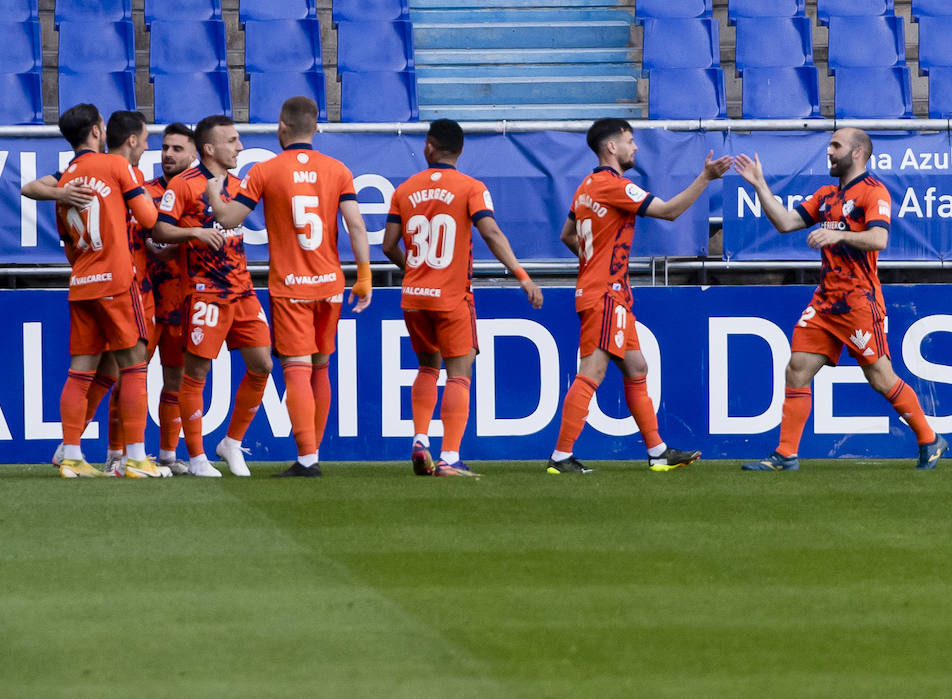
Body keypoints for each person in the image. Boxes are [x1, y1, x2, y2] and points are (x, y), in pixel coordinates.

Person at [733, 127, 949, 470]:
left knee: (880, 377)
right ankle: (786, 454)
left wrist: (838, 234)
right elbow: (786, 222)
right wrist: (760, 185)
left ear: (859, 152)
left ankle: (929, 438)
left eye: (836, 145)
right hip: (825, 301)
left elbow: (879, 238)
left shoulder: (873, 192)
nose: (829, 151)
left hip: (859, 301)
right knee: (797, 369)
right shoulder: (826, 195)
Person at [547, 118, 730, 475]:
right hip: (605, 295)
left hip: (605, 291)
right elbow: (669, 211)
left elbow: (568, 235)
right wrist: (705, 178)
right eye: (630, 141)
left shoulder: (586, 187)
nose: (636, 148)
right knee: (593, 371)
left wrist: (595, 261)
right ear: (611, 147)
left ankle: (658, 451)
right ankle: (560, 456)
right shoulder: (616, 185)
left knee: (636, 367)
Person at [204, 96, 372, 477]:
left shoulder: (265, 170)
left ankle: (307, 459)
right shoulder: (338, 169)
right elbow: (357, 226)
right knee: (321, 368)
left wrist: (214, 193)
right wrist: (364, 276)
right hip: (330, 284)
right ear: (315, 129)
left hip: (291, 286)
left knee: (296, 368)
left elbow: (229, 219)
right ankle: (314, 453)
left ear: (281, 126)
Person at [381, 119, 543, 477]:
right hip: (452, 297)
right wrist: (522, 275)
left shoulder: (404, 189)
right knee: (459, 373)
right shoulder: (471, 187)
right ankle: (450, 457)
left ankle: (420, 439)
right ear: (460, 149)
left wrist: (414, 270)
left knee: (426, 366)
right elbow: (491, 232)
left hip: (414, 296)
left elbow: (388, 245)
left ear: (428, 146)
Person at [40, 103, 163, 478]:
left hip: (81, 282)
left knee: (80, 371)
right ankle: (138, 459)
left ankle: (73, 456)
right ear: (97, 130)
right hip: (116, 280)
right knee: (134, 366)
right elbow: (150, 221)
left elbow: (66, 240)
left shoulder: (64, 183)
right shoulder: (116, 166)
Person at [152, 116, 273, 478]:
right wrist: (196, 233)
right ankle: (197, 457)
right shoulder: (184, 184)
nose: (239, 146)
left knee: (262, 365)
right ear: (209, 149)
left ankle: (231, 442)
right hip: (205, 291)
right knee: (196, 372)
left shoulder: (240, 185)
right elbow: (160, 228)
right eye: (232, 140)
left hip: (243, 290)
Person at [143, 122, 196, 473]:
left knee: (174, 379)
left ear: (195, 153)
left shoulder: (199, 193)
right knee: (129, 374)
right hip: (146, 298)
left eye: (177, 149)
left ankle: (167, 455)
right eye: (165, 148)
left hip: (180, 301)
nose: (168, 154)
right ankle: (119, 453)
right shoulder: (143, 193)